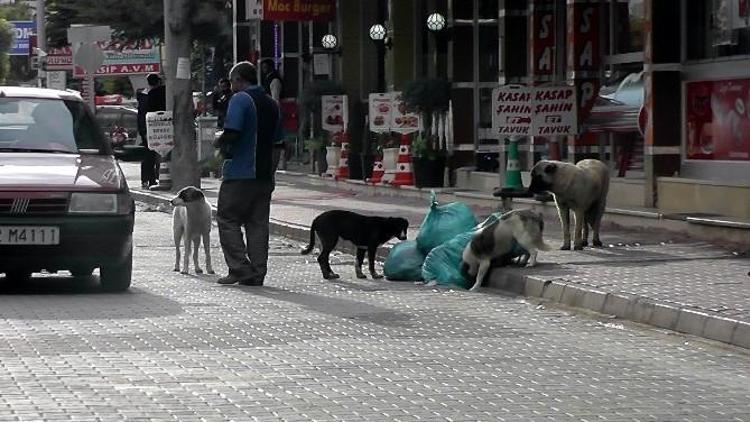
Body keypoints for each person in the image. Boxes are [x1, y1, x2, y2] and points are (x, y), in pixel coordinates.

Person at [214, 61, 284, 286]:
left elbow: (232, 132)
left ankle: (239, 268)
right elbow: (279, 144)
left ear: (238, 80)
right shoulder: (272, 105)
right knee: (258, 223)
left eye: (232, 81)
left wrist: (218, 141)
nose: (231, 86)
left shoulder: (240, 99)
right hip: (264, 176)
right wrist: (271, 175)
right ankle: (258, 272)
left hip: (240, 173)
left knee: (227, 218)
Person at [136, 73, 167, 188]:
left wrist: (142, 131)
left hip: (149, 129)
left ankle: (148, 180)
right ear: (158, 82)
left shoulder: (144, 96)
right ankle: (153, 180)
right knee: (156, 155)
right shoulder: (158, 93)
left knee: (149, 155)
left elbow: (140, 116)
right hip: (160, 129)